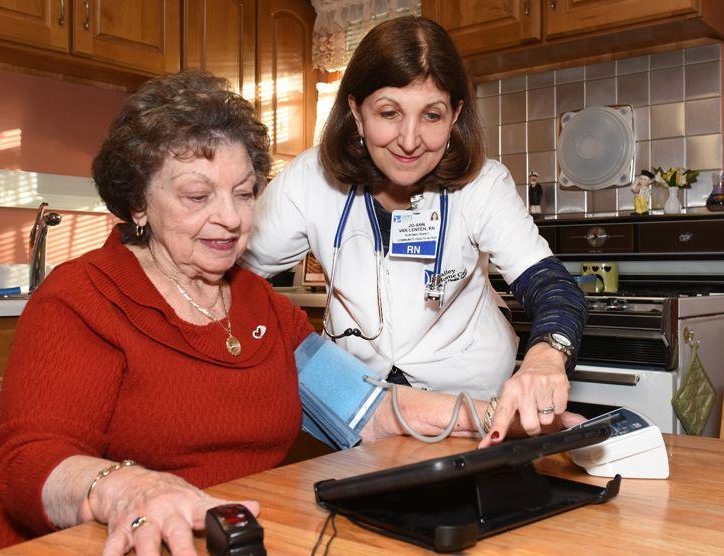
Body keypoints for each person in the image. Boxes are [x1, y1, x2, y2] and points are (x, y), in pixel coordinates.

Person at [0, 71, 562, 556]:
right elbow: (31, 465)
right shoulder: (83, 298)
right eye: (198, 195)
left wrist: (499, 414)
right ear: (136, 202)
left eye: (246, 192)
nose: (231, 217)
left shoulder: (259, 307)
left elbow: (368, 408)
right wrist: (126, 487)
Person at [240, 16, 589, 450]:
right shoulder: (310, 179)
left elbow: (553, 288)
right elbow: (233, 278)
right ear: (356, 111)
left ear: (455, 114)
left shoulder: (482, 184)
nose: (409, 140)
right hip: (356, 409)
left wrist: (545, 358)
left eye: (431, 115)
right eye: (389, 113)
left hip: (472, 411)